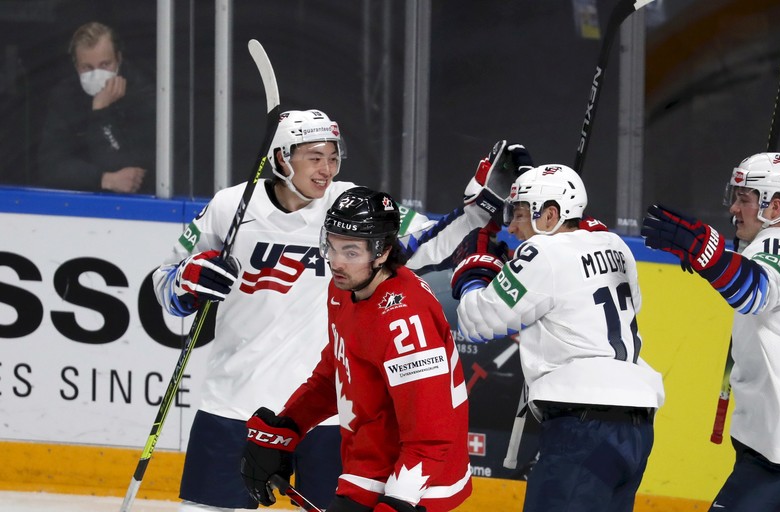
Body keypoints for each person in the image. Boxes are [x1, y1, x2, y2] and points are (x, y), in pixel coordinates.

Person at [152, 108, 526, 511]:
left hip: (329, 417)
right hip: (233, 402)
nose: (326, 169)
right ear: (282, 158)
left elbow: (429, 242)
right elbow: (165, 283)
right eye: (314, 156)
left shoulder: (351, 206)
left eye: (333, 156)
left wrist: (480, 209)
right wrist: (186, 282)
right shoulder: (230, 207)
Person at [641, 152, 780, 511]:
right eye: (736, 197)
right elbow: (759, 273)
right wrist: (722, 258)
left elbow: (754, 292)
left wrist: (706, 253)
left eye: (744, 199)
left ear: (776, 206)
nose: (733, 210)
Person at [240, 186, 472, 512]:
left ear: (382, 252)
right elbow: (334, 374)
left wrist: (398, 503)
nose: (336, 263)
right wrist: (288, 426)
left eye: (350, 253)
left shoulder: (405, 321)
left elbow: (430, 438)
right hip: (370, 459)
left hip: (416, 484)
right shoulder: (344, 290)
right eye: (331, 247)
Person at [452, 164, 665, 512]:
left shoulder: (543, 255)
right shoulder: (614, 245)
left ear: (550, 215)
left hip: (583, 429)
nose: (511, 227)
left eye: (520, 214)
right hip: (636, 429)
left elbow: (477, 321)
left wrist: (474, 270)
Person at [37, 21, 155, 194]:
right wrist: (104, 179)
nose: (96, 74)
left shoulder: (142, 93)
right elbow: (50, 166)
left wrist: (101, 112)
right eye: (87, 67)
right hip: (79, 202)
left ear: (119, 60)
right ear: (76, 66)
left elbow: (130, 172)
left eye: (105, 65)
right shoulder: (65, 96)